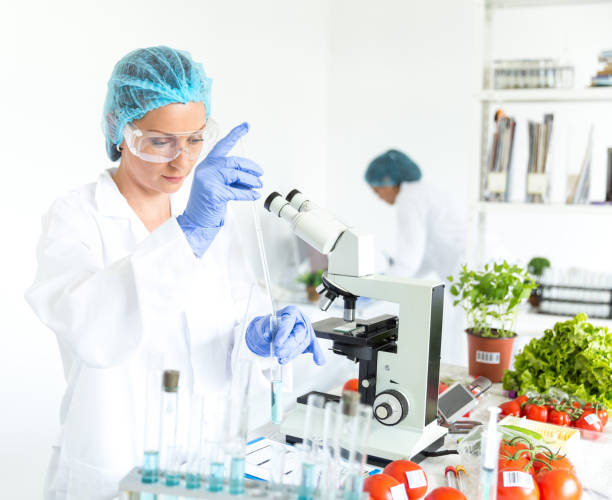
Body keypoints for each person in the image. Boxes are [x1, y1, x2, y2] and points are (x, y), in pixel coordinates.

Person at [25, 46, 324, 500]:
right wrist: (188, 233)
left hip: (205, 461)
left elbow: (234, 315)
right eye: (161, 141)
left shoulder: (206, 219)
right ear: (120, 132)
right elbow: (91, 329)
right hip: (114, 465)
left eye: (195, 139)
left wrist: (259, 334)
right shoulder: (76, 217)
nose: (183, 161)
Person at [364, 149, 467, 365]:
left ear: (389, 181)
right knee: (464, 343)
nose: (378, 197)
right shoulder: (425, 193)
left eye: (377, 190)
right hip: (470, 276)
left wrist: (373, 288)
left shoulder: (409, 198)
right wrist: (387, 277)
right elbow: (423, 260)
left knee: (464, 344)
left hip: (471, 275)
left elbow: (407, 262)